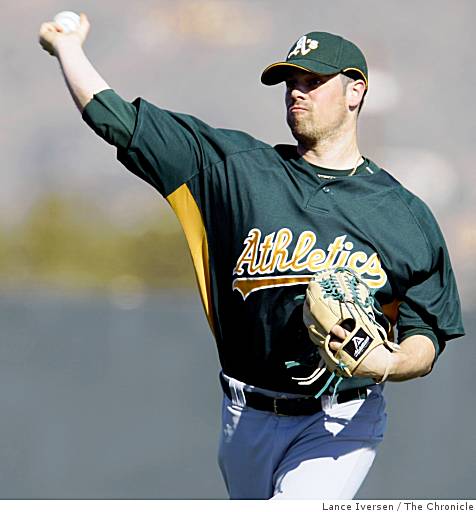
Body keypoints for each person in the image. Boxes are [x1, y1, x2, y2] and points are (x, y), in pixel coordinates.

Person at [39, 15, 465, 499]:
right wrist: (67, 47)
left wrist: (385, 363)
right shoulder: (235, 171)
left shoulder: (404, 215)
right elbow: (116, 118)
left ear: (356, 92)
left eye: (313, 81)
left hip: (341, 419)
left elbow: (427, 335)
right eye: (290, 82)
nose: (296, 93)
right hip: (243, 417)